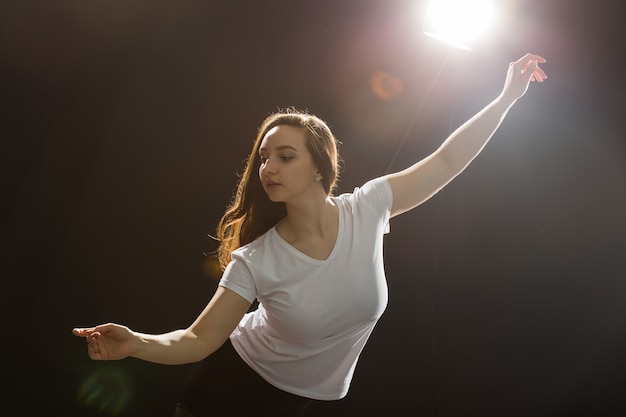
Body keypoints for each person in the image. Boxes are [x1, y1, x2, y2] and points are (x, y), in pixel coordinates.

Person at [73, 53, 547, 416]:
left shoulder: (368, 208)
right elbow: (198, 340)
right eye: (263, 157)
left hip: (300, 402)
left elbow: (445, 161)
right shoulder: (256, 260)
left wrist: (506, 97)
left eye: (285, 156)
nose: (268, 168)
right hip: (228, 388)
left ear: (320, 167)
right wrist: (135, 342)